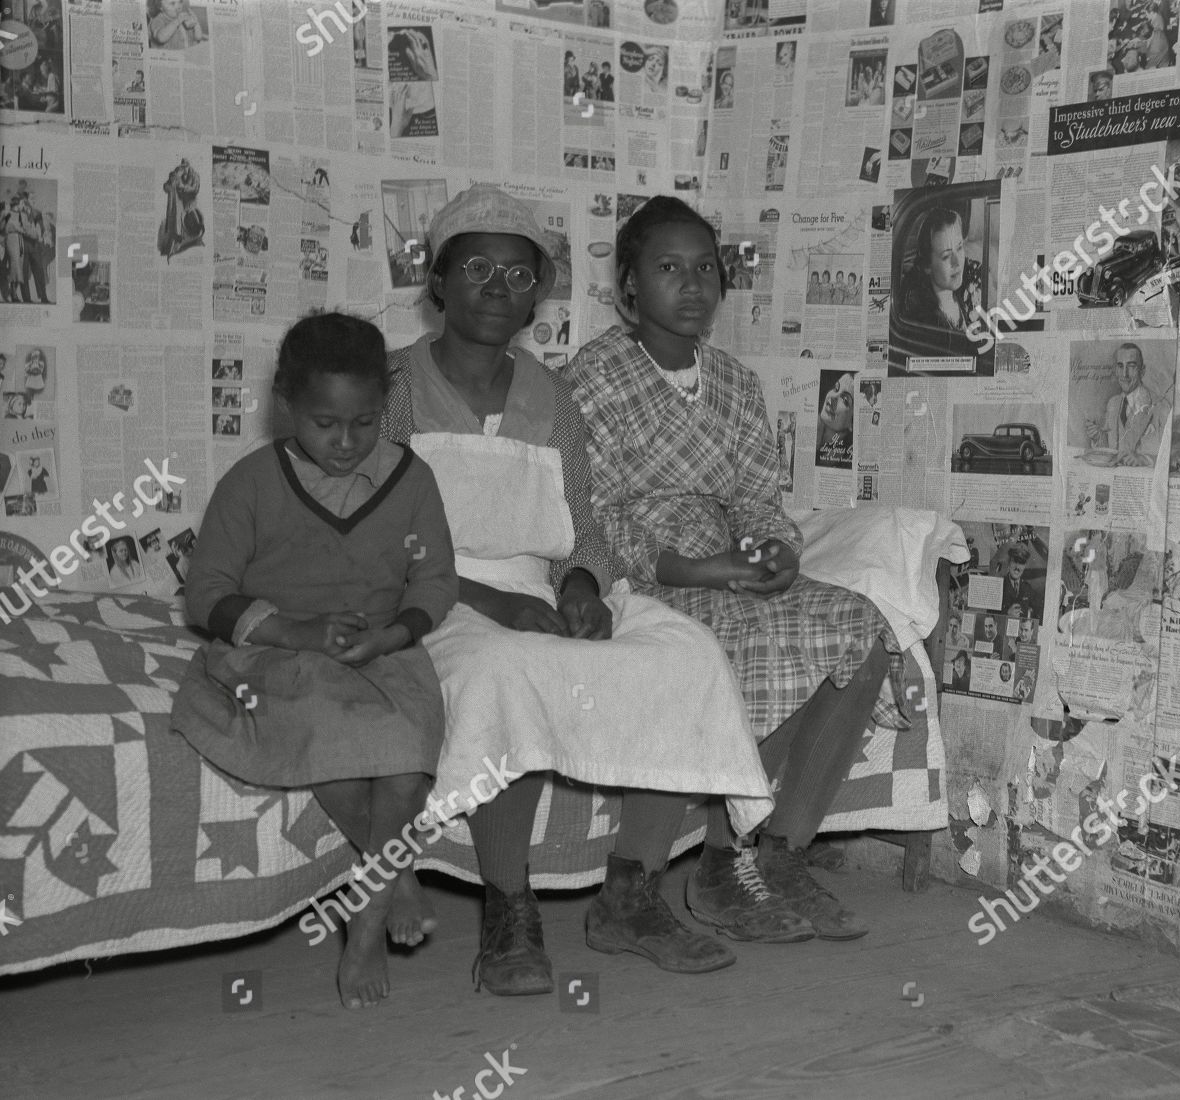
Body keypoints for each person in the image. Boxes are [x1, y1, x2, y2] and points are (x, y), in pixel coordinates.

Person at [381, 186, 772, 996]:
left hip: (540, 585)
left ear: (539, 294)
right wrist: (491, 605)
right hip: (429, 597)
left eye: (519, 275)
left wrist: (583, 590)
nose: (498, 288)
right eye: (477, 269)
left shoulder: (553, 400)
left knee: (683, 654)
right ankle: (509, 909)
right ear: (438, 285)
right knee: (503, 668)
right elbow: (377, 538)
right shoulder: (394, 390)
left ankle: (631, 892)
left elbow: (582, 528)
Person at [565, 196, 908, 944]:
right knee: (728, 641)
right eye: (667, 269)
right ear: (627, 286)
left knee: (859, 625)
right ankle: (633, 889)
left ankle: (765, 855)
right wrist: (698, 569)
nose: (692, 285)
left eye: (704, 269)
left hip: (726, 560)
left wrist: (773, 552)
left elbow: (757, 500)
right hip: (641, 572)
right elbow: (591, 512)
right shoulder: (593, 377)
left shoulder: (735, 384)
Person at [171, 312, 459, 1011]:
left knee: (404, 753)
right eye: (325, 423)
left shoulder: (411, 479)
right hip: (277, 652)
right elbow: (205, 594)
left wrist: (391, 637)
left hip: (381, 649)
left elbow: (436, 582)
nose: (345, 442)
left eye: (364, 423)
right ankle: (382, 896)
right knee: (329, 730)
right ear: (285, 406)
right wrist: (295, 630)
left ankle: (372, 890)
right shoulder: (252, 482)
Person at [899, 206, 981, 332]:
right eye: (946, 256)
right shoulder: (924, 322)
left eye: (959, 248)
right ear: (927, 266)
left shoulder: (968, 287)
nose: (957, 262)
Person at [1099, 342, 1169, 468]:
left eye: (1131, 366)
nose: (1124, 374)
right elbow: (1108, 448)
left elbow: (1171, 455)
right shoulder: (1112, 404)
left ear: (1142, 371)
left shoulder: (1161, 406)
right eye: (1120, 366)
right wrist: (1097, 437)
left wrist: (1146, 459)